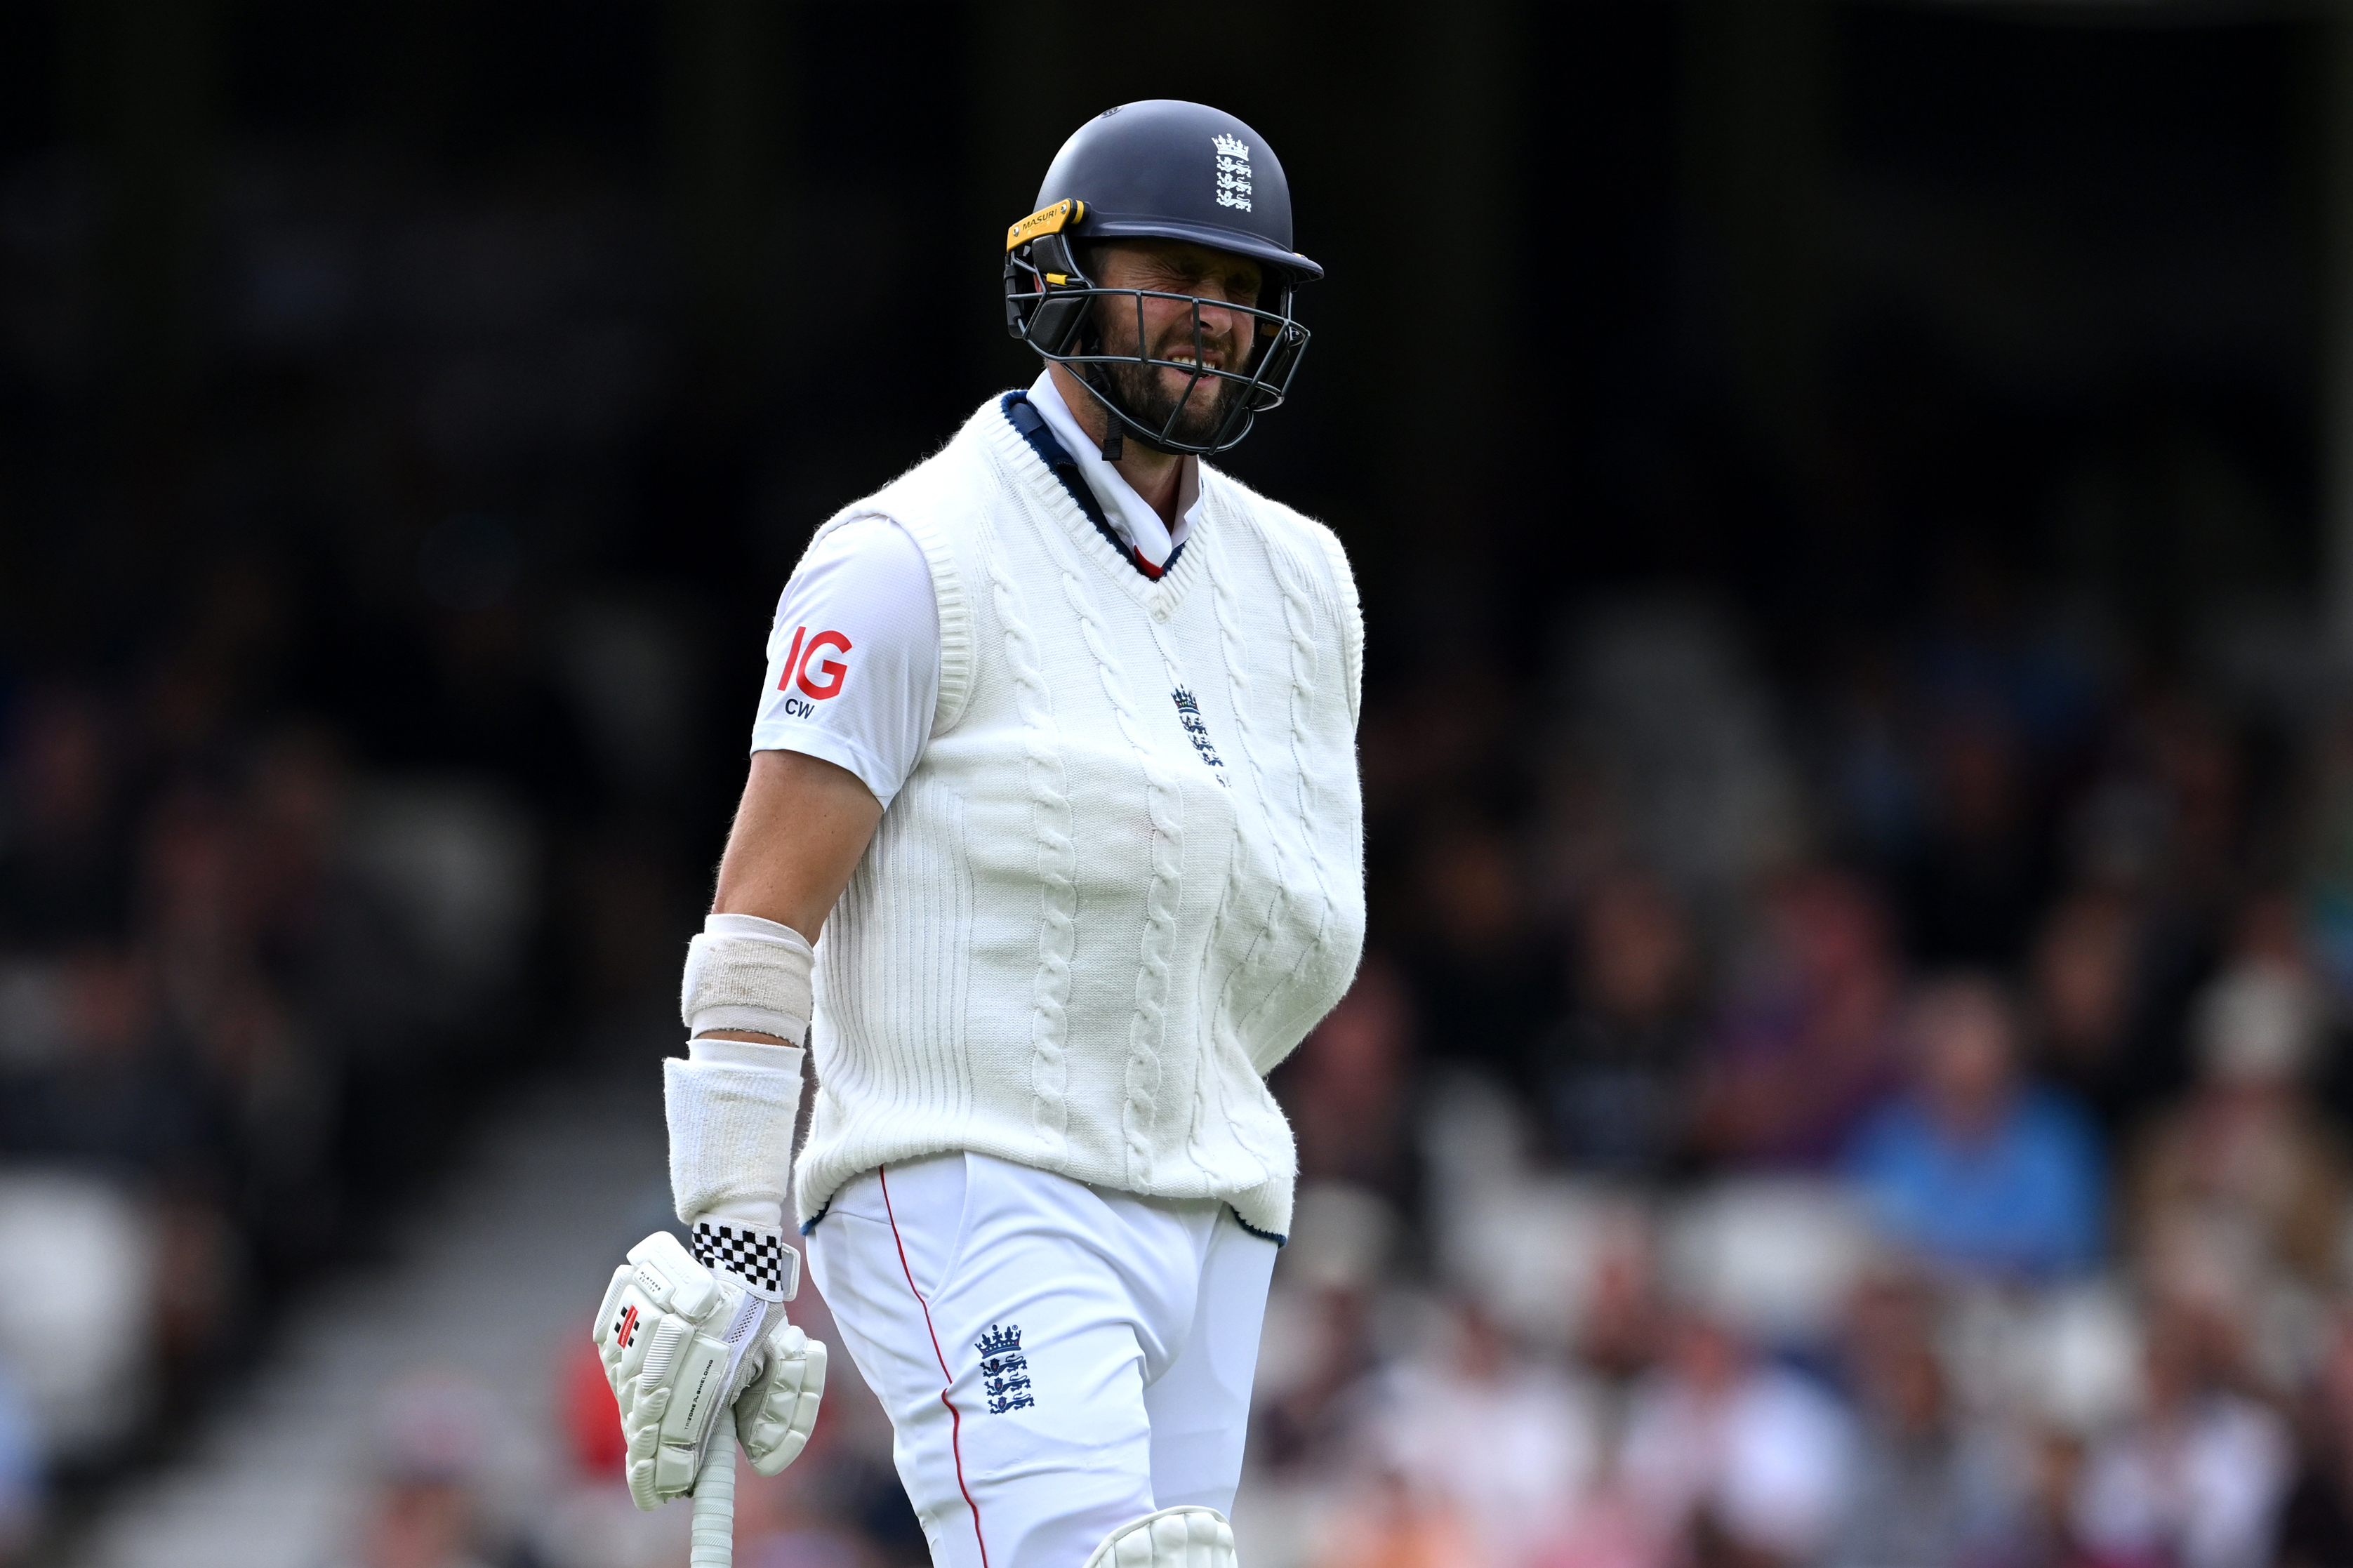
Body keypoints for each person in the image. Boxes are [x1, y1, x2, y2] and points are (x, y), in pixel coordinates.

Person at [591, 100, 1365, 1568]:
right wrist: (735, 1226)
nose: (1214, 317)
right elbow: (760, 913)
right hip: (969, 1179)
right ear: (1061, 274)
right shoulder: (905, 560)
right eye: (1176, 275)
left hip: (1215, 1200)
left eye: (1243, 287)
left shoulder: (1305, 585)